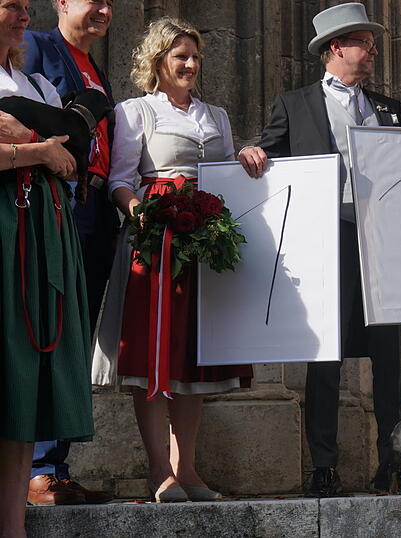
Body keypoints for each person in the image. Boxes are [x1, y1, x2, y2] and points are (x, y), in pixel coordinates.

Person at [237, 3, 401, 497]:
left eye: (373, 44)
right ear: (337, 48)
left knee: (388, 362)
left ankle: (392, 463)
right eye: (365, 43)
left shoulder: (390, 107)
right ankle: (325, 467)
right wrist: (252, 152)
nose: (373, 51)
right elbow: (268, 157)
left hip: (381, 246)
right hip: (325, 240)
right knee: (325, 357)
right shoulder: (296, 103)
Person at [92, 17, 253, 503]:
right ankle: (159, 471)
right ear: (158, 60)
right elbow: (121, 179)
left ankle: (189, 471)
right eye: (180, 55)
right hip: (155, 239)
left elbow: (226, 173)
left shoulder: (216, 116)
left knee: (190, 356)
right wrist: (140, 211)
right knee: (153, 353)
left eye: (195, 56)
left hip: (203, 237)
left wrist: (247, 155)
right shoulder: (136, 111)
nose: (190, 64)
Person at [0, 1, 92, 535]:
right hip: (4, 228)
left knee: (23, 380)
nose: (23, 15)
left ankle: (13, 526)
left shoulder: (34, 82)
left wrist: (37, 142)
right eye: (12, 5)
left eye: (25, 7)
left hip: (42, 229)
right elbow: (49, 152)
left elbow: (73, 155)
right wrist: (38, 151)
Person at [21, 0, 115, 506]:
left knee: (75, 334)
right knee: (47, 327)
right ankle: (36, 468)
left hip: (96, 208)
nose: (103, 9)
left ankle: (56, 465)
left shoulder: (96, 68)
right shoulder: (36, 46)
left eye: (109, 3)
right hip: (51, 206)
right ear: (60, 3)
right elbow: (17, 115)